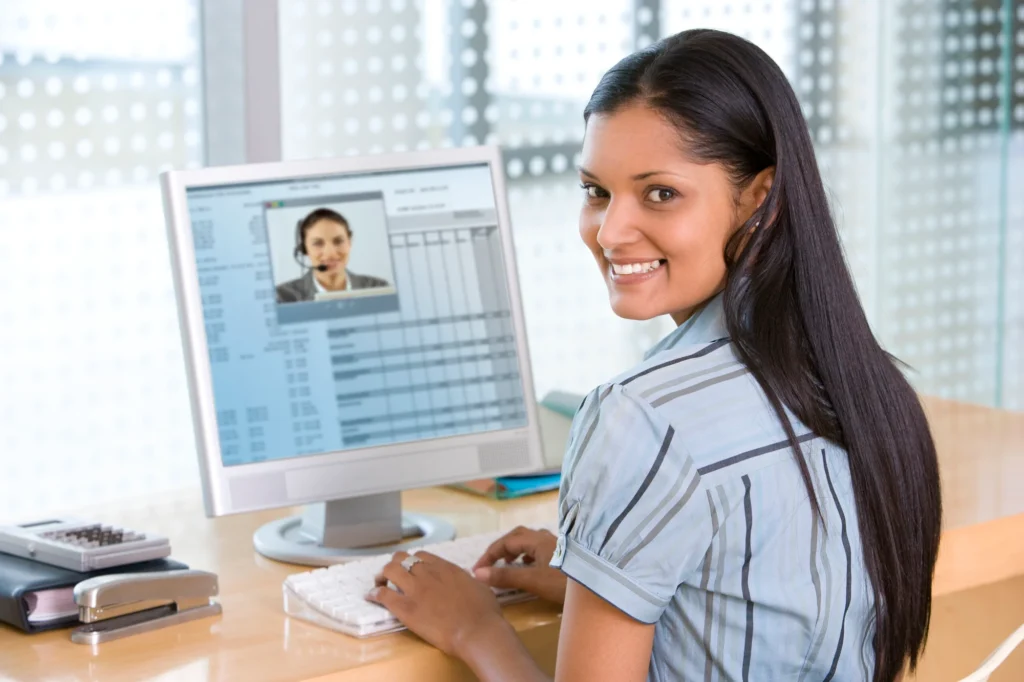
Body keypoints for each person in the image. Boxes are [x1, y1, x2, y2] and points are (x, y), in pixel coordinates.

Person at [366, 29, 942, 682]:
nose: (610, 232)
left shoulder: (640, 418)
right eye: (596, 191)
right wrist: (600, 572)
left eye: (660, 193)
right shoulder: (868, 384)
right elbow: (774, 604)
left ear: (759, 198)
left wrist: (474, 627)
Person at [275, 207, 389, 303]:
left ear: (349, 242)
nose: (330, 253)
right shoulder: (282, 298)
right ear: (305, 249)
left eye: (338, 241)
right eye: (318, 243)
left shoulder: (378, 288)